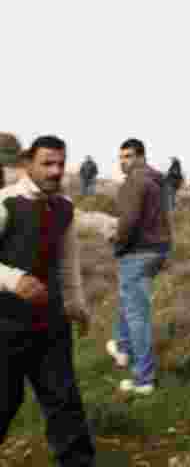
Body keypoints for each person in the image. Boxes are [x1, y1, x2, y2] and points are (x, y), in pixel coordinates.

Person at [0, 135, 95, 466]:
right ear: (28, 163)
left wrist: (77, 305)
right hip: (5, 326)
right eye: (47, 163)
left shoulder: (65, 208)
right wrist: (13, 280)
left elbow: (69, 263)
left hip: (51, 326)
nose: (56, 171)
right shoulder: (6, 202)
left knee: (65, 405)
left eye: (60, 164)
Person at [105, 138, 172, 395]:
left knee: (137, 316)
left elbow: (129, 221)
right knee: (129, 300)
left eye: (130, 156)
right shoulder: (157, 180)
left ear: (141, 157)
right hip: (158, 250)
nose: (125, 162)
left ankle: (143, 380)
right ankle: (122, 348)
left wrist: (118, 245)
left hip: (138, 251)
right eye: (122, 157)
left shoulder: (135, 181)